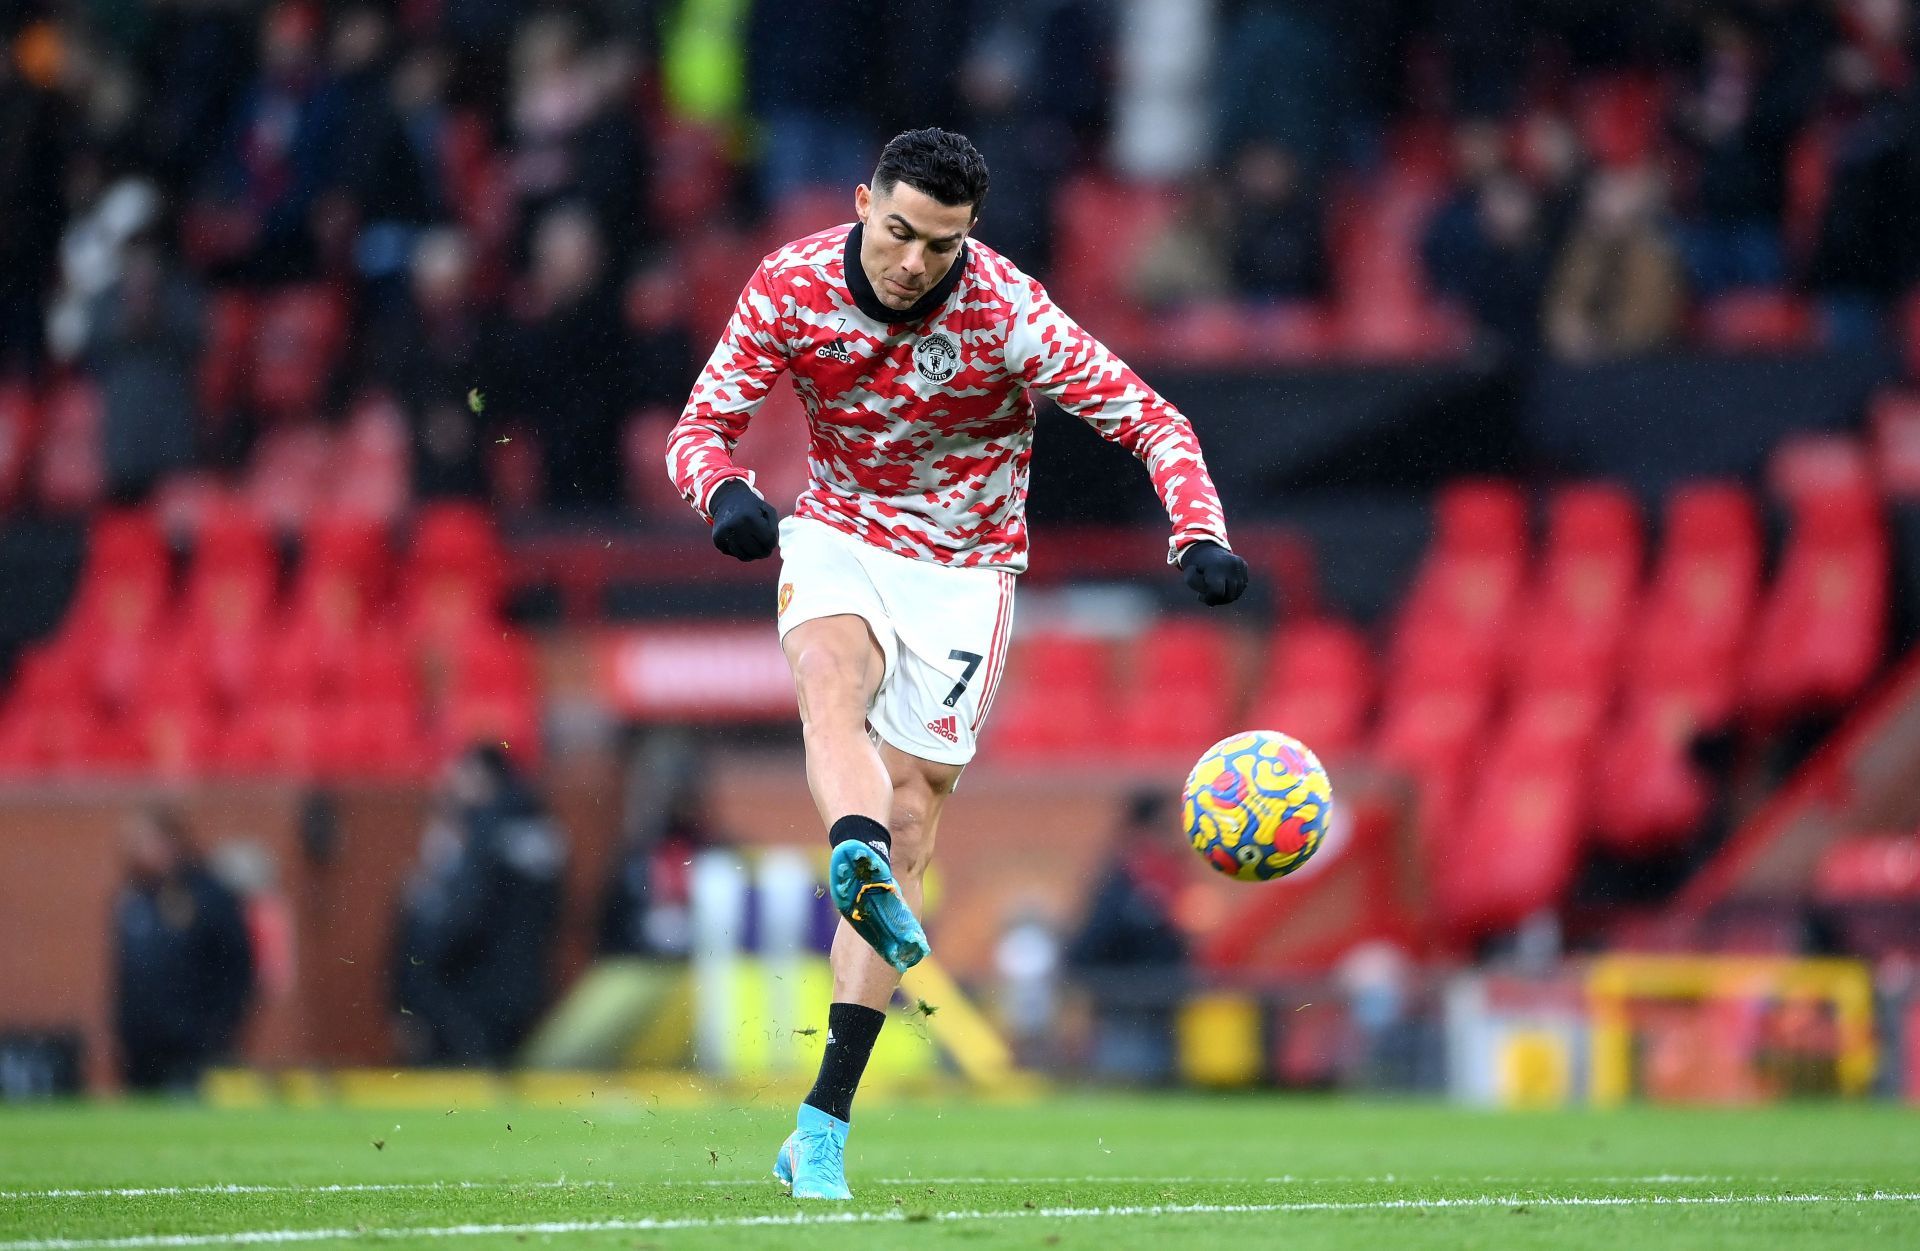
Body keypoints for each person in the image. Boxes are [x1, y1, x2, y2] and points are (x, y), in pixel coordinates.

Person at [665, 127, 1247, 1200]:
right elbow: (698, 431)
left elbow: (1155, 425)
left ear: (968, 238)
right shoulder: (791, 284)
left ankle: (823, 1123)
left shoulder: (1008, 312)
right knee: (831, 688)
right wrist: (729, 495)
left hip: (967, 570)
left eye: (942, 244)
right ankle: (852, 850)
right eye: (897, 234)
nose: (914, 263)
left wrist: (1197, 536)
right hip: (838, 530)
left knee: (914, 821)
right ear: (860, 205)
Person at [390, 745, 567, 1065]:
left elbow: (466, 916)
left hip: (477, 985)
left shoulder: (486, 832)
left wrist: (423, 966)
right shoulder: (541, 826)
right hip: (529, 980)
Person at [111, 806, 255, 1093]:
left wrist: (219, 1026)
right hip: (140, 1048)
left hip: (194, 1046)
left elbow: (238, 964)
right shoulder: (134, 899)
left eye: (142, 841)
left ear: (169, 842)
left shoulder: (209, 895)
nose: (133, 851)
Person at [1064, 791, 1191, 1084]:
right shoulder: (1128, 874)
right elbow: (1096, 937)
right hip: (1125, 998)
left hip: (1158, 998)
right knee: (1127, 1079)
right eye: (1166, 826)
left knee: (1154, 1079)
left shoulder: (1162, 871)